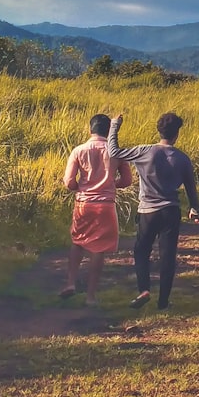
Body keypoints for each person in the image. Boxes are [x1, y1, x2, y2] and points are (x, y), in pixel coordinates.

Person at [108, 112, 199, 310]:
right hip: (171, 211)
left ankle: (144, 289)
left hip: (147, 211)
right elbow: (191, 188)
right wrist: (195, 208)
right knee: (167, 255)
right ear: (176, 134)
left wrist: (115, 125)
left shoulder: (144, 151)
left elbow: (113, 151)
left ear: (158, 131)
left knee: (142, 251)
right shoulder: (183, 158)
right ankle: (163, 302)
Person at [61, 113, 133, 306]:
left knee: (77, 242)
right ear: (109, 130)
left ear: (90, 129)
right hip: (106, 205)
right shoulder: (116, 152)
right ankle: (91, 296)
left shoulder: (79, 150)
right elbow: (127, 180)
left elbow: (69, 182)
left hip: (84, 204)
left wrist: (81, 187)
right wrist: (109, 183)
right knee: (98, 250)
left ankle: (70, 282)